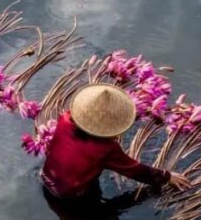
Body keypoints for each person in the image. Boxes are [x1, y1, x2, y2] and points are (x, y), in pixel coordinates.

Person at [41, 84, 190, 200]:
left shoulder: (65, 119)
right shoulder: (105, 148)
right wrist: (167, 176)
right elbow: (135, 170)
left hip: (47, 177)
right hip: (72, 194)